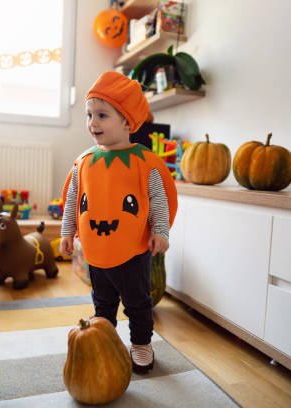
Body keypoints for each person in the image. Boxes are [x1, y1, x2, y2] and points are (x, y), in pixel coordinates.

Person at [59, 71, 178, 374]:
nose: (92, 123)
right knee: (102, 304)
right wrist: (67, 231)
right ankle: (106, 341)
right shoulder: (84, 162)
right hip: (96, 252)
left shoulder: (144, 162)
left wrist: (161, 231)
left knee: (138, 303)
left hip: (132, 251)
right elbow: (74, 199)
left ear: (127, 121)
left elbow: (159, 199)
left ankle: (141, 344)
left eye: (102, 115)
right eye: (89, 115)